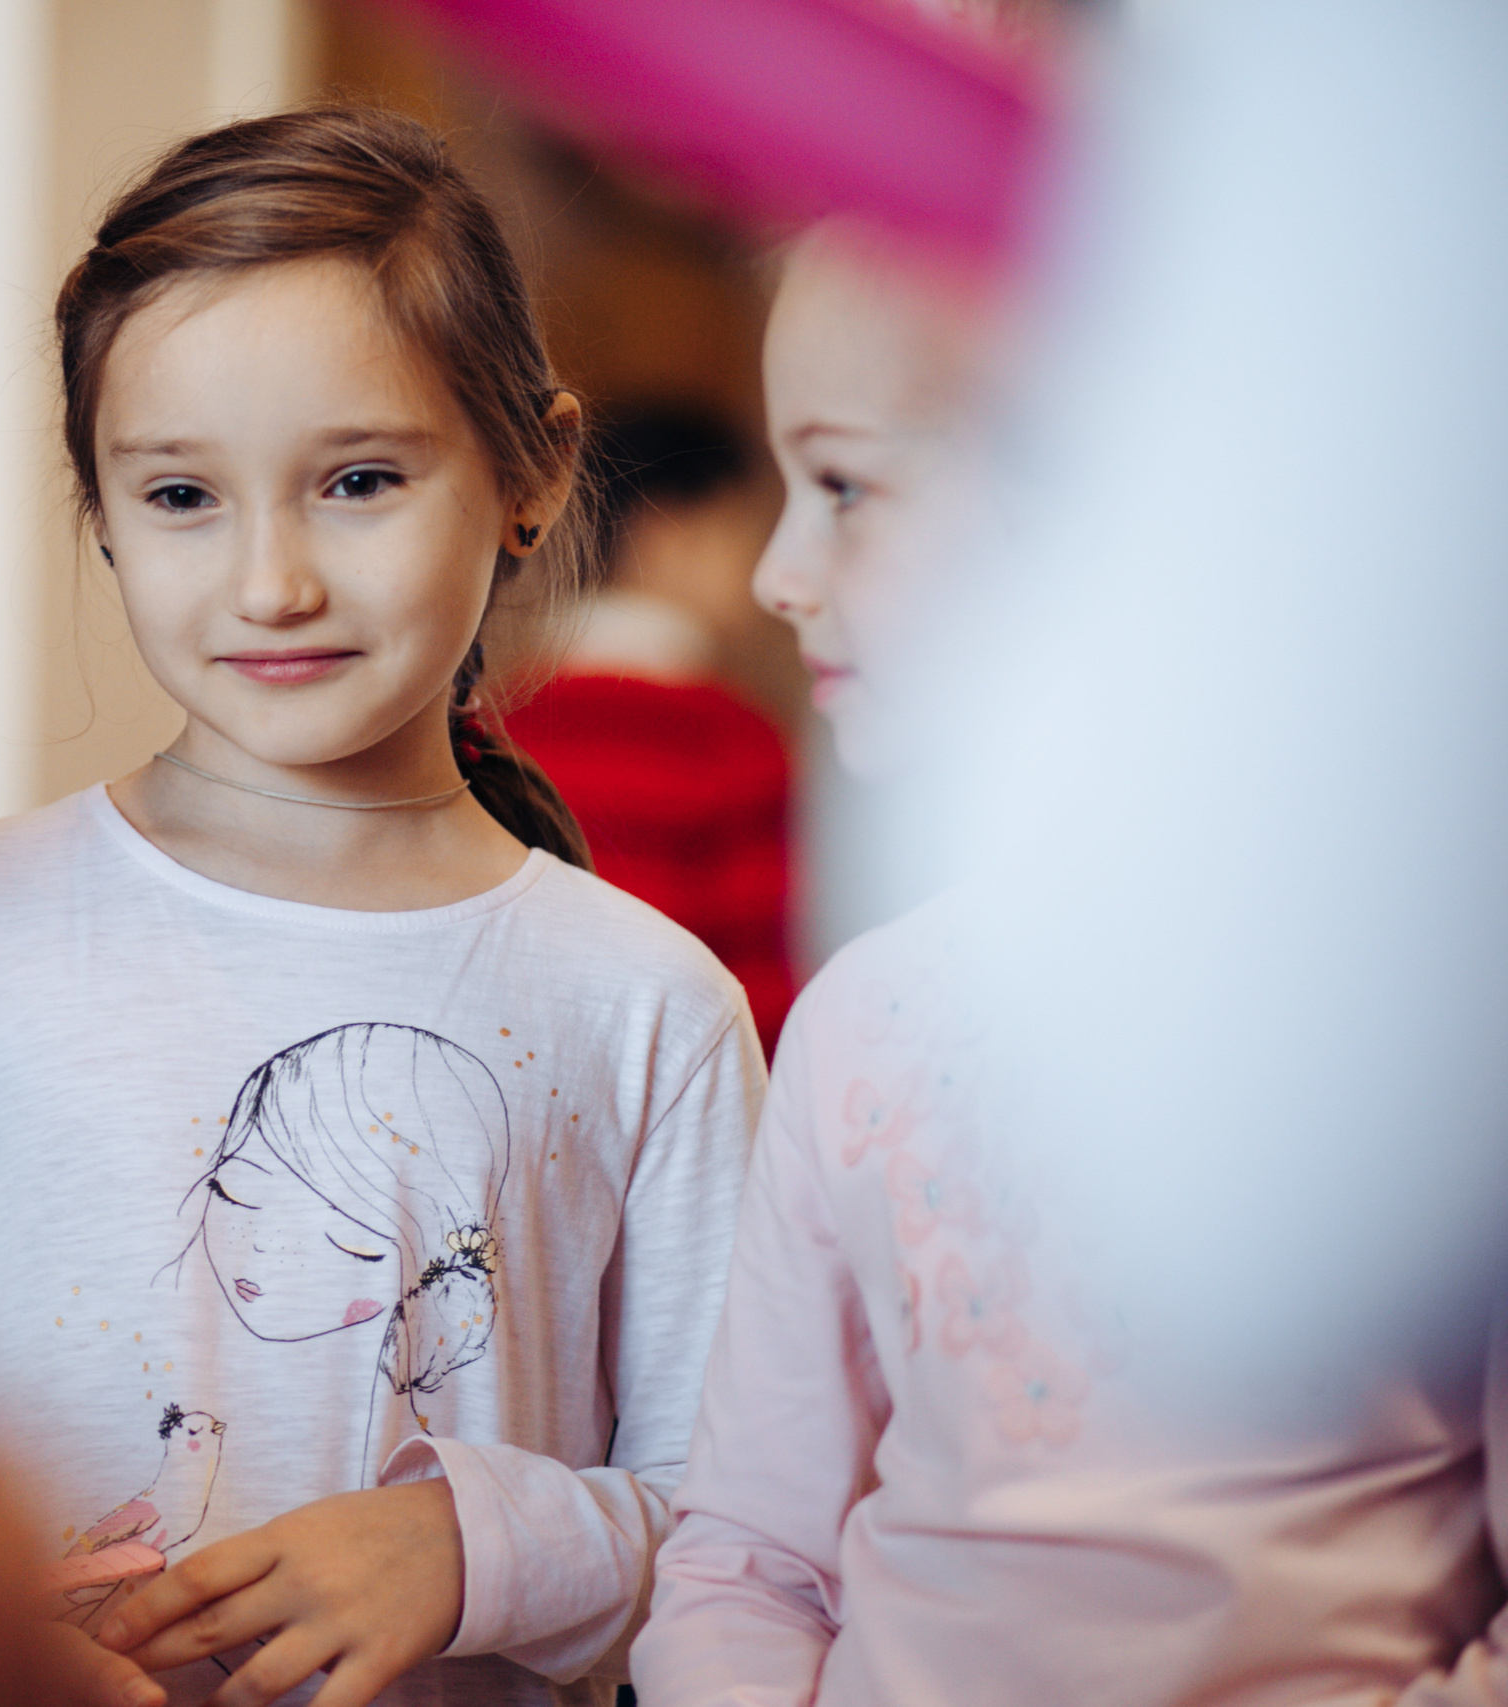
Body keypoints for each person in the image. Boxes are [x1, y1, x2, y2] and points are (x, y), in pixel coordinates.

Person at [0, 108, 763, 1707]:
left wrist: (472, 1548)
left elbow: (743, 1524)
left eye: (356, 479)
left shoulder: (648, 1003)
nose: (271, 581)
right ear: (104, 510)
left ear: (531, 473)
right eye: (185, 495)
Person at [628, 216, 1508, 1705]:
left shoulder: (1443, 1023)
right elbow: (746, 1559)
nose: (782, 569)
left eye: (845, 484)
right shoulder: (856, 1022)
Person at [501, 410, 798, 1050]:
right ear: (672, 533)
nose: (768, 573)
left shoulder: (499, 725)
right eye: (744, 534)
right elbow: (762, 987)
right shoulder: (732, 739)